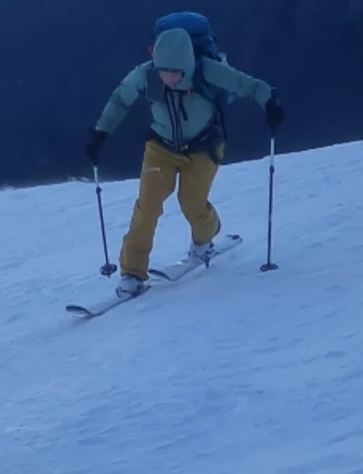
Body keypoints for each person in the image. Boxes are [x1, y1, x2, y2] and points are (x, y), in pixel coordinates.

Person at [84, 23, 284, 298]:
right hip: (160, 147)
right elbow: (120, 100)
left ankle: (206, 237)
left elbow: (248, 86)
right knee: (147, 207)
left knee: (192, 204)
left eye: (174, 73)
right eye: (163, 72)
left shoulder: (206, 70)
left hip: (204, 148)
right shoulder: (146, 75)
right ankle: (132, 273)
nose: (167, 79)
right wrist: (100, 133)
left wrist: (270, 102)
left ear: (186, 67)